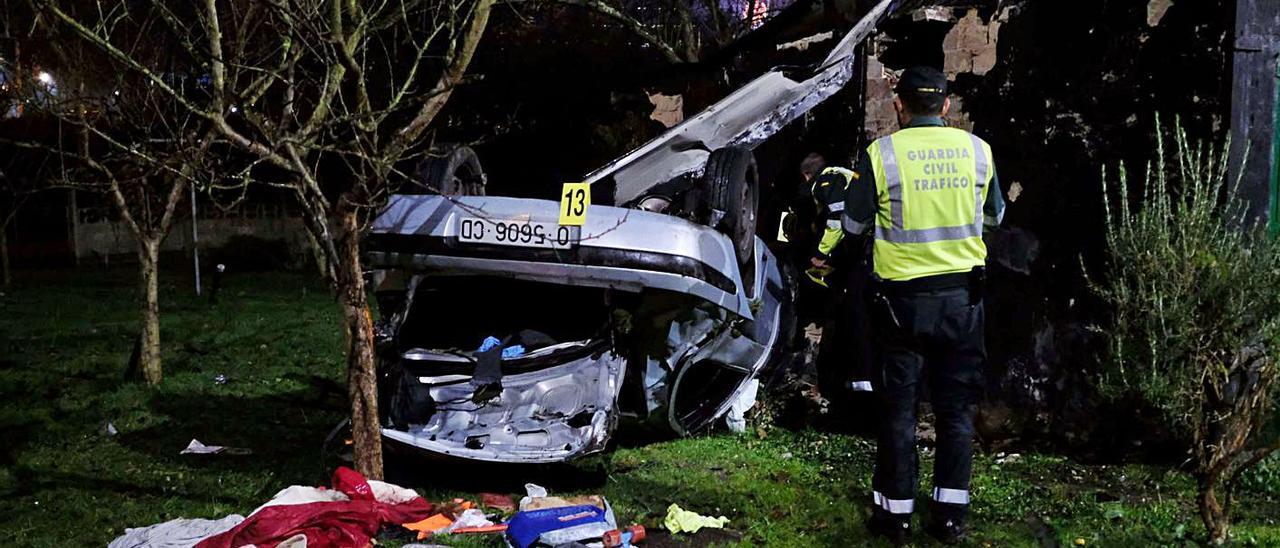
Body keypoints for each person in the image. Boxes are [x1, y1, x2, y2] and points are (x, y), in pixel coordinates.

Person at [841, 66, 1005, 545]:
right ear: (947, 107)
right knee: (955, 411)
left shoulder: (882, 154)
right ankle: (950, 517)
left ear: (899, 105)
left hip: (901, 305)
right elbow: (995, 215)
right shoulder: (978, 152)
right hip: (962, 301)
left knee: (899, 411)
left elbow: (852, 226)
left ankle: (894, 517)